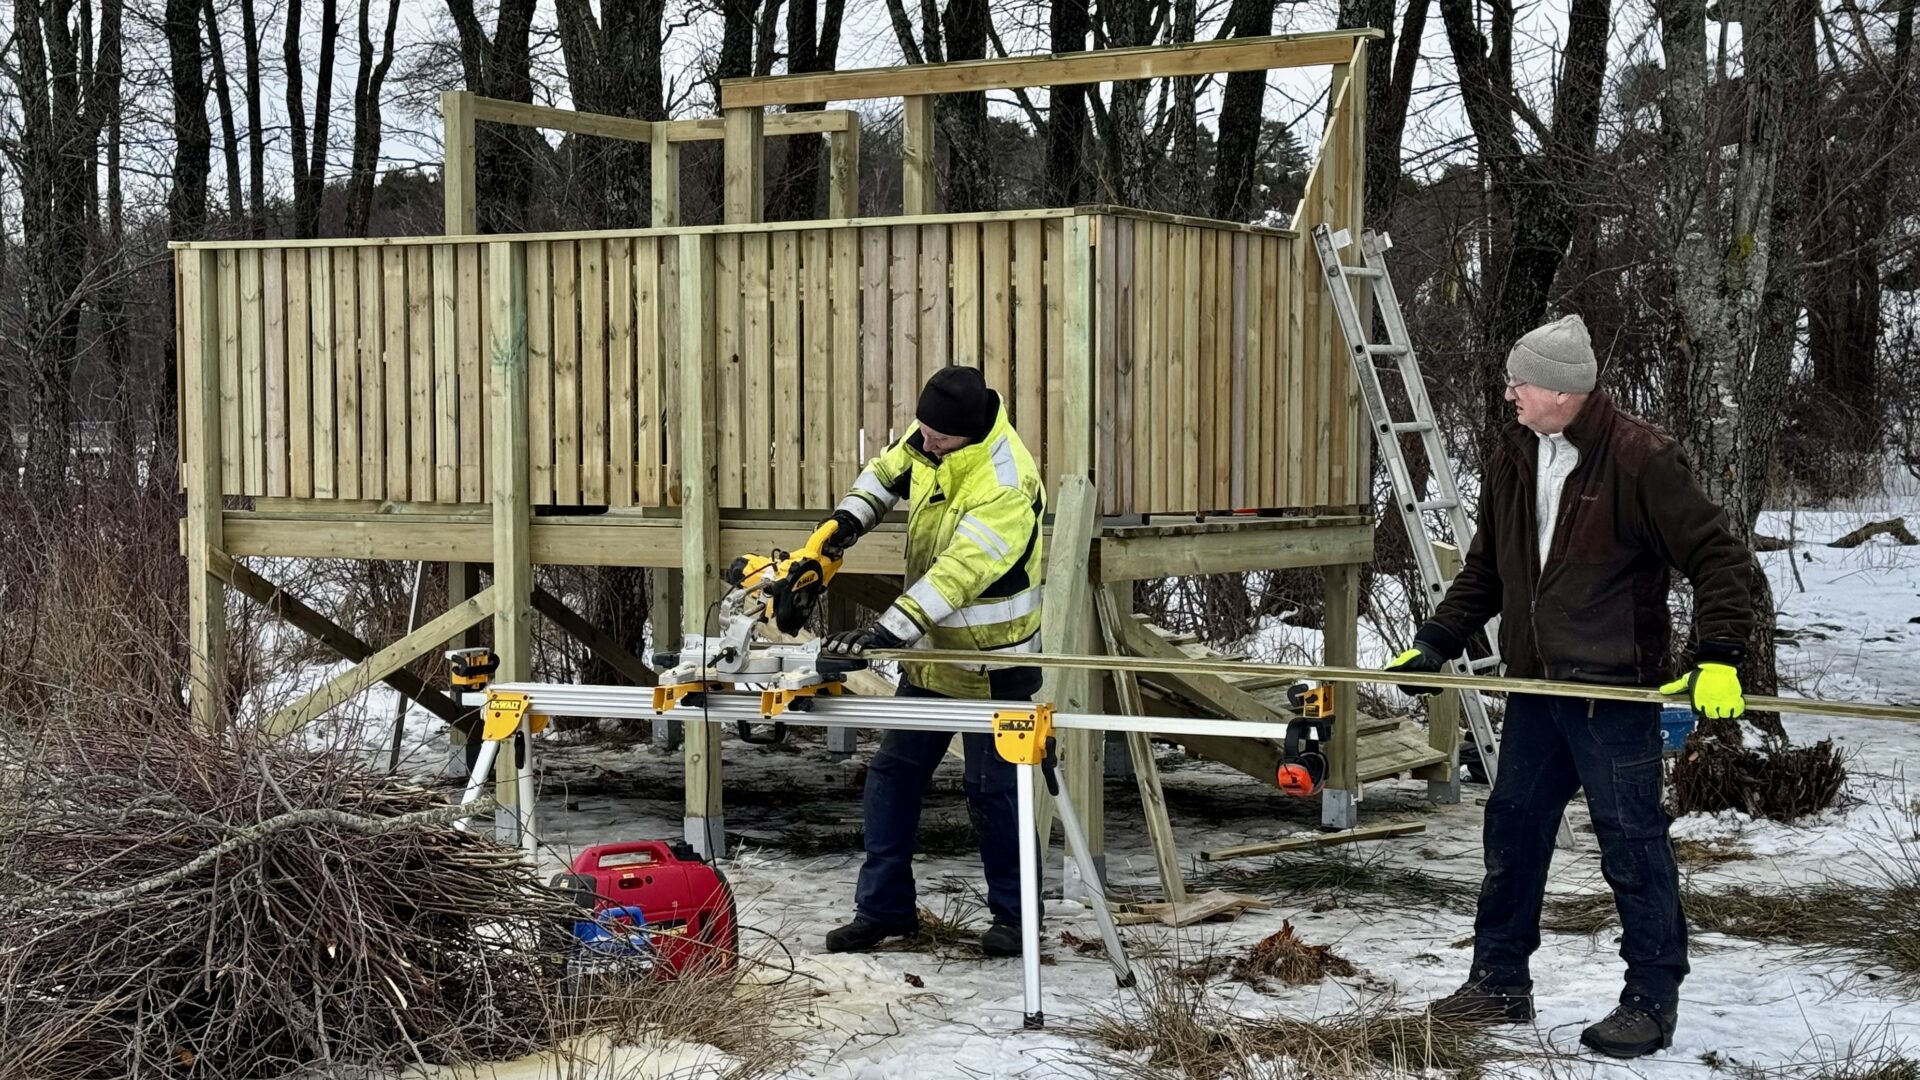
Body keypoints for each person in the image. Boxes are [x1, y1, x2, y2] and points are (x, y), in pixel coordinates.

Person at [1384, 314, 1753, 1059]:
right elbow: (1488, 568)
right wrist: (1434, 642)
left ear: (1561, 390)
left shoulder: (1642, 459)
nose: (1509, 393)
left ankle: (1651, 1000)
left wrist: (1717, 655)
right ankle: (1497, 983)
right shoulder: (1515, 453)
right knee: (1512, 833)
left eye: (1519, 382)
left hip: (1613, 693)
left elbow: (1721, 557)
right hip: (1535, 689)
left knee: (1632, 845)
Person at [812, 365, 1047, 958]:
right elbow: (886, 473)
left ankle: (1017, 922)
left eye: (936, 435)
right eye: (922, 429)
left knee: (993, 789)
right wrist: (843, 525)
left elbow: (958, 575)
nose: (923, 441)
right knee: (892, 778)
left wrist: (888, 630)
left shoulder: (1005, 485)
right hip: (935, 664)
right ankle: (884, 911)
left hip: (995, 671)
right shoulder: (935, 436)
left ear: (966, 433)